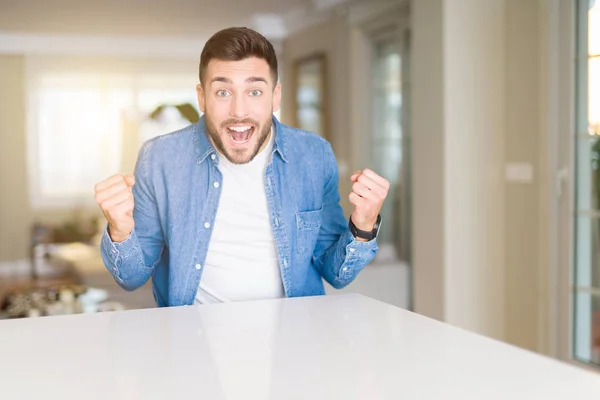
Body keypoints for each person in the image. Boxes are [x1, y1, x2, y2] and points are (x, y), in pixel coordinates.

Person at [93, 27, 389, 307]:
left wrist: (363, 225)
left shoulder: (314, 155)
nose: (238, 111)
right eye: (223, 92)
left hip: (294, 342)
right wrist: (120, 229)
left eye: (255, 92)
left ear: (275, 97)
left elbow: (336, 273)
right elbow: (130, 278)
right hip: (193, 344)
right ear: (202, 97)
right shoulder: (159, 158)